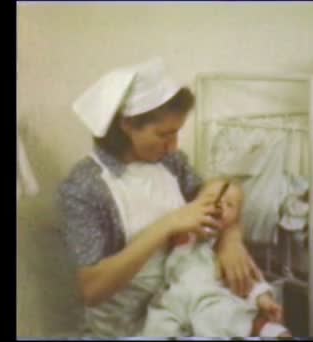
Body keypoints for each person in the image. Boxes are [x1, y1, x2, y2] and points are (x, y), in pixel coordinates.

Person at [57, 57, 261, 338]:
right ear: (127, 124)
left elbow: (221, 198)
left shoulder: (170, 163)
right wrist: (168, 224)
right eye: (164, 134)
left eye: (176, 133)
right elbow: (92, 289)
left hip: (186, 310)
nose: (173, 145)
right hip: (125, 329)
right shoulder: (85, 187)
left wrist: (231, 238)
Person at [141, 179, 291, 337]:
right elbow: (168, 228)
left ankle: (269, 330)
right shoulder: (184, 231)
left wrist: (263, 299)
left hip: (210, 299)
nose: (219, 205)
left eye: (230, 205)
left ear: (236, 219)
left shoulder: (228, 250)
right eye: (211, 199)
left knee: (230, 317)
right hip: (172, 298)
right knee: (156, 327)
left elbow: (247, 280)